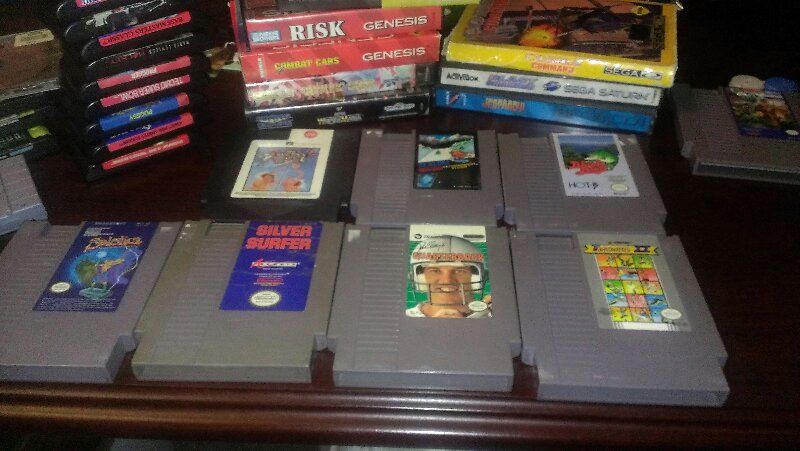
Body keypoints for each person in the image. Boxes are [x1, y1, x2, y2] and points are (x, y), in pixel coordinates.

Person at [406, 235, 492, 318]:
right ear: (420, 277)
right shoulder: (405, 318)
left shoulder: (495, 316)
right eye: (435, 271)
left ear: (476, 277)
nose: (447, 281)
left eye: (459, 271)